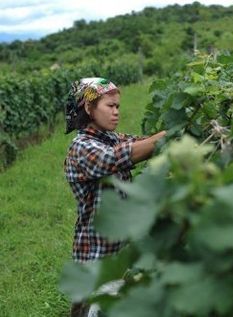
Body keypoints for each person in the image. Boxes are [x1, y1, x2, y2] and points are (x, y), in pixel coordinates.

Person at [63, 77, 166, 317]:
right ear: (88, 108)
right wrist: (169, 135)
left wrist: (170, 134)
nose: (116, 112)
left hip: (118, 251)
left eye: (118, 106)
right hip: (96, 257)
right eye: (110, 106)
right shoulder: (82, 147)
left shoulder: (111, 138)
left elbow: (140, 142)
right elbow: (117, 157)